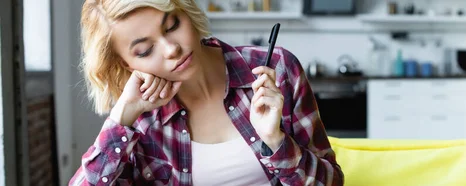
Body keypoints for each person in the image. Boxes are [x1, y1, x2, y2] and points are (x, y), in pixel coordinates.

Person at [68, 0, 344, 185]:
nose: (171, 49)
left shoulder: (275, 69)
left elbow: (332, 182)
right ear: (126, 64)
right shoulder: (138, 118)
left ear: (186, 11)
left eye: (172, 25)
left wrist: (276, 142)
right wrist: (121, 118)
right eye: (144, 50)